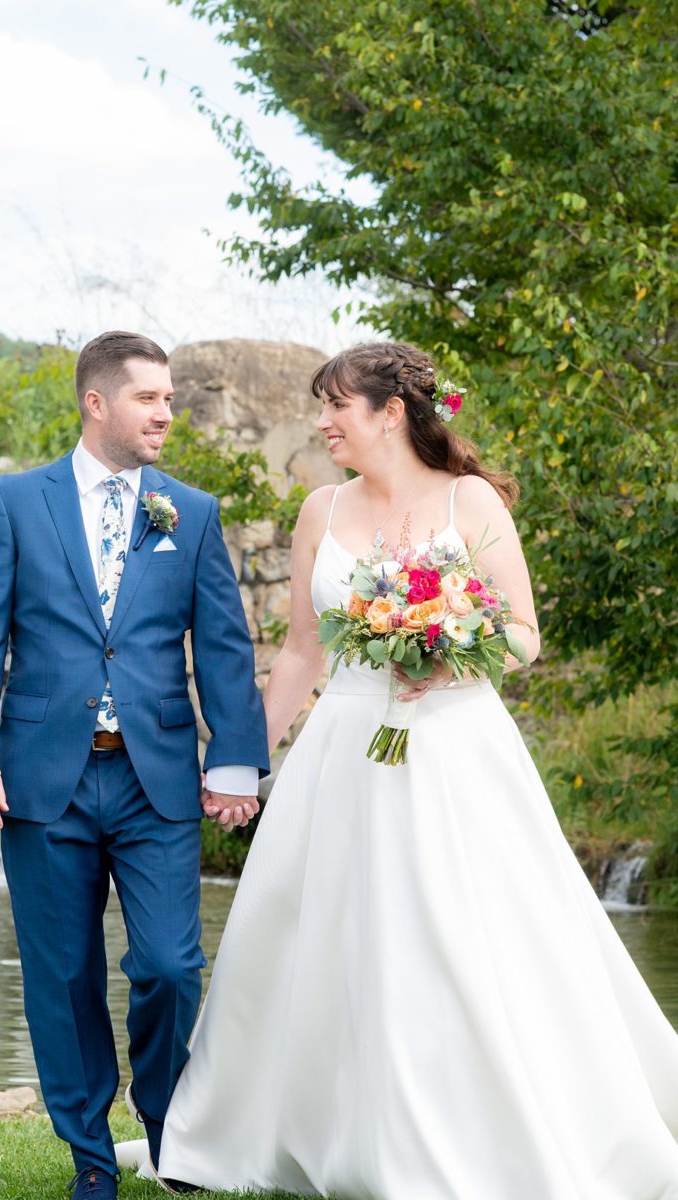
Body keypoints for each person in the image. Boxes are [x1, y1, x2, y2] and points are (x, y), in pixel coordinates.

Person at [117, 342, 678, 1198]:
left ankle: (477, 1134)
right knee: (315, 934)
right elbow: (303, 653)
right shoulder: (319, 509)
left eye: (336, 406)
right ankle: (271, 1127)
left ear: (390, 412)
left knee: (461, 937)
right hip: (343, 746)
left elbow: (523, 634)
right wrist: (238, 761)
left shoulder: (470, 499)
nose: (322, 422)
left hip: (456, 749)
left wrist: (455, 654)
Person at [0, 330, 270, 1200]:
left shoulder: (189, 513)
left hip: (153, 777)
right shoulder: (14, 503)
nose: (167, 412)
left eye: (169, 398)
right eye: (150, 398)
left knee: (167, 965)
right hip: (40, 778)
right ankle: (91, 1156)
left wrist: (235, 759)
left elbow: (226, 648)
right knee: (65, 975)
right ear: (96, 403)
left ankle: (169, 1137)